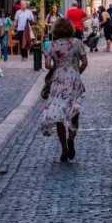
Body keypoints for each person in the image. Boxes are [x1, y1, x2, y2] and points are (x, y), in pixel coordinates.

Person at [41, 18, 88, 162]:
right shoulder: (77, 43)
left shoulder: (53, 45)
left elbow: (48, 65)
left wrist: (57, 67)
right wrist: (76, 72)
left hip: (58, 80)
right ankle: (71, 137)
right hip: (73, 78)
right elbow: (85, 62)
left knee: (59, 115)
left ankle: (64, 149)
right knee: (74, 111)